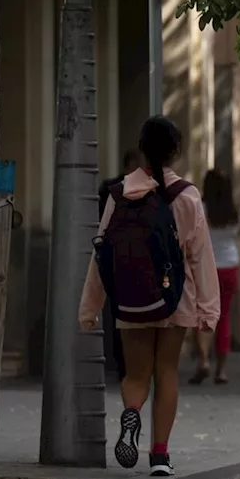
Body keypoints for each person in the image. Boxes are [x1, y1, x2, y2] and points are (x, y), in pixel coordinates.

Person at [79, 116, 220, 477]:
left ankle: (132, 413)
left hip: (130, 298)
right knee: (167, 370)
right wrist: (209, 310)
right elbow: (201, 255)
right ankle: (159, 454)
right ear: (175, 151)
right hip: (177, 299)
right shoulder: (187, 196)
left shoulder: (119, 194)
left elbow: (103, 254)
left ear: (141, 149)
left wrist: (89, 309)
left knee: (136, 373)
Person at [191, 168, 240, 385]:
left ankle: (204, 360)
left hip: (207, 267)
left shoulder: (201, 210)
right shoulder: (237, 214)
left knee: (204, 315)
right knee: (223, 316)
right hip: (230, 268)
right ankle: (221, 370)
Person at [98, 148, 142, 382]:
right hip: (117, 259)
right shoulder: (111, 189)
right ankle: (122, 362)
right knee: (119, 312)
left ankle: (130, 362)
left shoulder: (149, 190)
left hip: (136, 261)